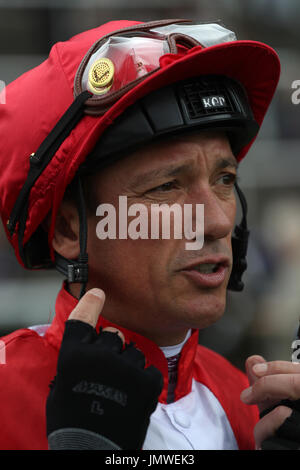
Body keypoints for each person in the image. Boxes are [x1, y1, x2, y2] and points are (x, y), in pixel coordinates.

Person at [0, 18, 299, 451]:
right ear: (68, 228)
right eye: (167, 186)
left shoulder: (250, 404)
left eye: (225, 179)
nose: (215, 222)